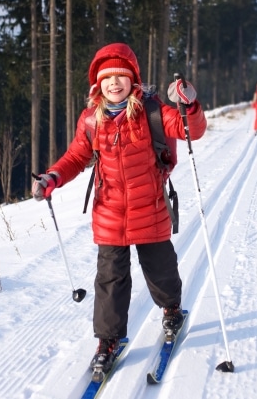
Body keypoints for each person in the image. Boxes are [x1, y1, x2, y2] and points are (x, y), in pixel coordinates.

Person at [31, 42, 207, 375]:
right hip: (109, 213)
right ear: (98, 84)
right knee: (110, 280)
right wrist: (52, 177)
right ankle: (108, 340)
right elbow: (75, 157)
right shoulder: (91, 120)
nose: (114, 83)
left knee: (160, 269)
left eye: (121, 77)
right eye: (107, 78)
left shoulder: (152, 112)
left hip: (150, 207)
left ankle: (172, 310)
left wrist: (190, 104)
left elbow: (191, 130)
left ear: (133, 80)